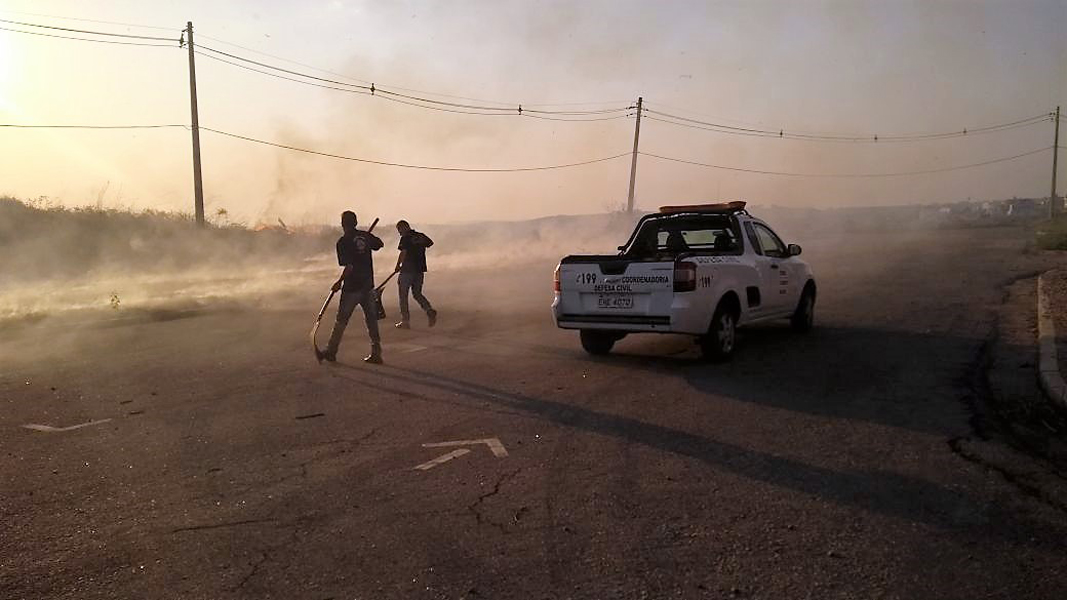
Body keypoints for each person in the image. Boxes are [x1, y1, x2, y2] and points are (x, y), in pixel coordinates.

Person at [318, 210, 384, 364]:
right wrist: (366, 240)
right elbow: (380, 244)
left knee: (341, 320)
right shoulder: (365, 236)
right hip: (368, 285)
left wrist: (339, 281)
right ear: (355, 222)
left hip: (352, 288)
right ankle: (377, 352)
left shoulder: (343, 241)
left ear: (343, 224)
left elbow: (349, 266)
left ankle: (331, 351)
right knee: (371, 320)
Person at [392, 220, 437, 329]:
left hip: (407, 270)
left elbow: (403, 252)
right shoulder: (420, 236)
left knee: (403, 296)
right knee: (417, 293)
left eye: (399, 230)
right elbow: (430, 243)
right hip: (419, 270)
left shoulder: (405, 238)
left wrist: (398, 265)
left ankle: (405, 321)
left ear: (404, 227)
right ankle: (429, 310)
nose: (399, 233)